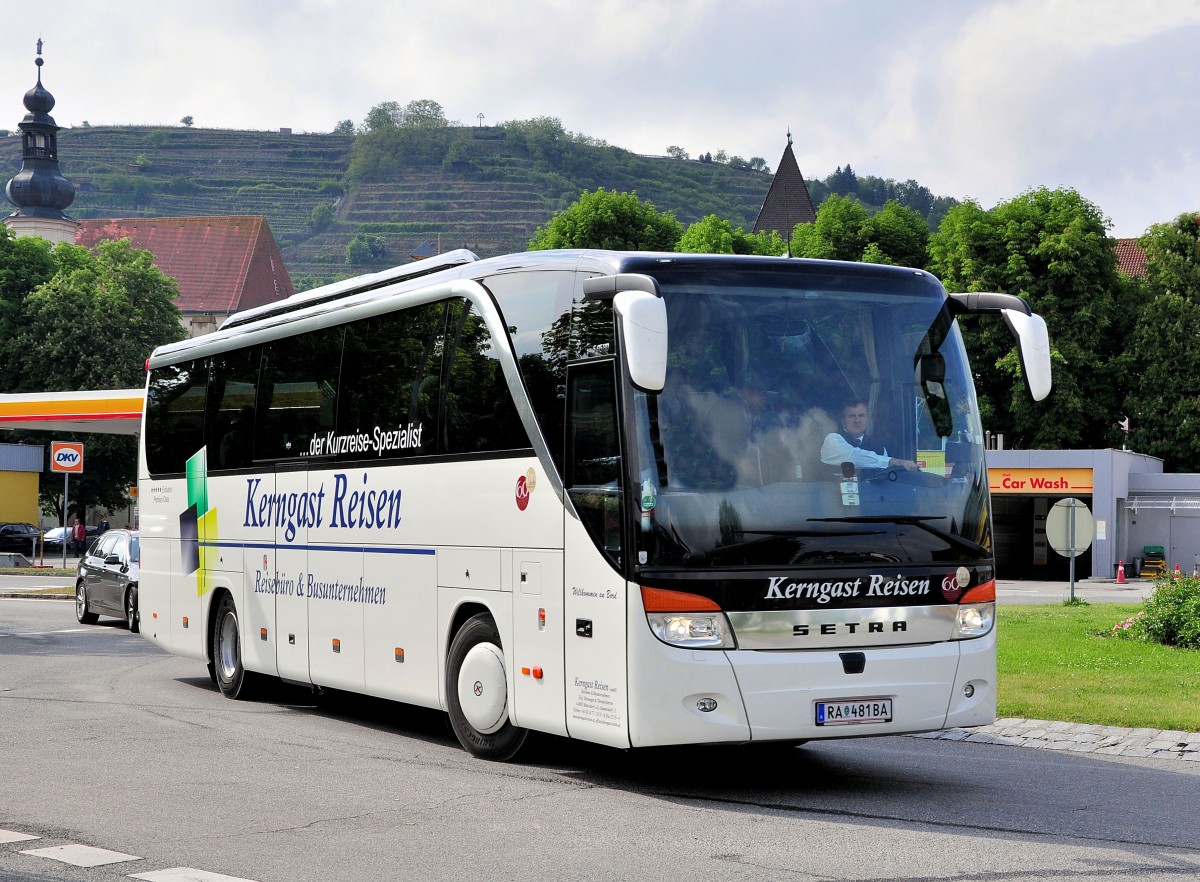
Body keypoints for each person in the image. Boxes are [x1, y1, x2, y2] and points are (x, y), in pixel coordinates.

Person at [821, 398, 918, 473]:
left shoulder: (878, 447)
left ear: (867, 419)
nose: (857, 420)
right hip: (834, 497)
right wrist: (893, 461)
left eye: (861, 415)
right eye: (851, 416)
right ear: (843, 420)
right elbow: (854, 457)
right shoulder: (832, 440)